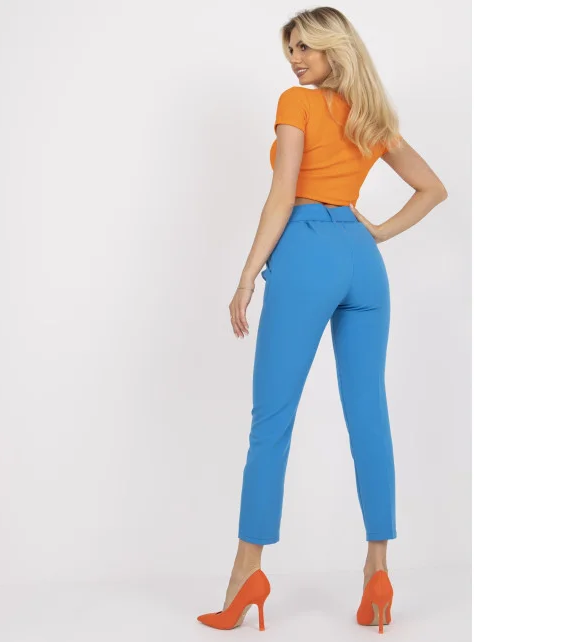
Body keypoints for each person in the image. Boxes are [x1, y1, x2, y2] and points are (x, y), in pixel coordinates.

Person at [197, 6, 447, 634]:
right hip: (362, 264)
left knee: (272, 421)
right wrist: (376, 233)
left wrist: (248, 274)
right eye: (290, 50)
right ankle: (377, 572)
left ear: (336, 47)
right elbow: (432, 188)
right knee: (369, 415)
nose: (295, 60)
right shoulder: (372, 118)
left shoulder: (297, 104)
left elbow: (283, 193)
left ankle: (246, 575)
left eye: (306, 47)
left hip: (306, 253)